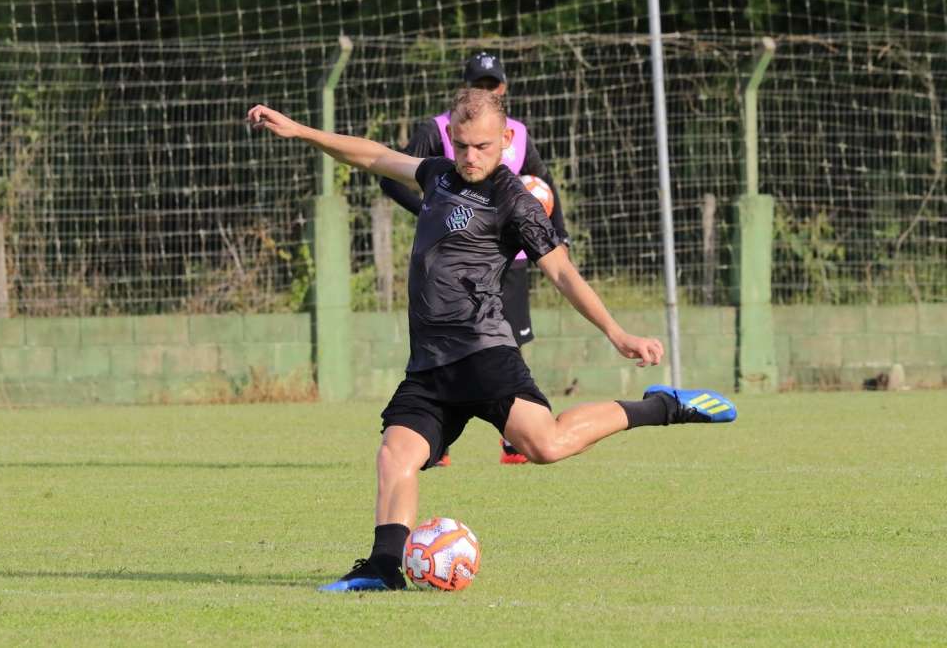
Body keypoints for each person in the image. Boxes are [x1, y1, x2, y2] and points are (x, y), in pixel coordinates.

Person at [246, 89, 737, 594]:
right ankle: (382, 568)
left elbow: (563, 273)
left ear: (505, 140)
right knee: (396, 453)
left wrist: (617, 332)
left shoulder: (514, 202)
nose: (469, 157)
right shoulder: (437, 175)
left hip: (483, 352)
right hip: (430, 365)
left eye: (480, 146)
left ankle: (661, 406)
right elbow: (372, 155)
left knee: (544, 444)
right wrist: (301, 131)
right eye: (460, 145)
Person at [380, 52, 568, 466]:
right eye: (476, 85)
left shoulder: (518, 134)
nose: (484, 91)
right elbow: (388, 172)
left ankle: (512, 435)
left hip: (511, 258)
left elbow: (544, 186)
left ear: (502, 91)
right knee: (449, 338)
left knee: (505, 341)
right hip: (452, 262)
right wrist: (439, 215)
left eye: (491, 85)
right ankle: (437, 435)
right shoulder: (438, 131)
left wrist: (560, 234)